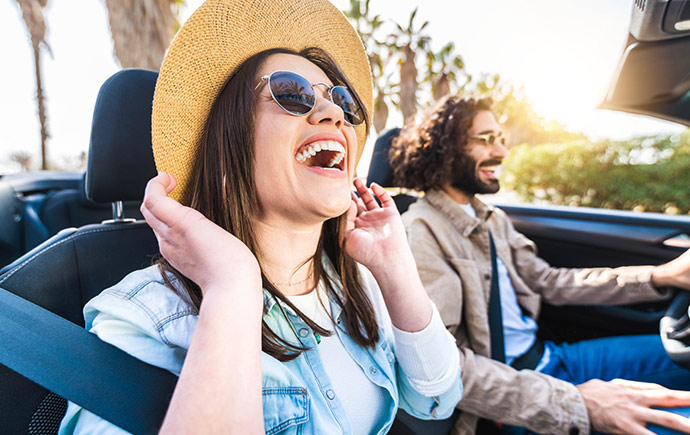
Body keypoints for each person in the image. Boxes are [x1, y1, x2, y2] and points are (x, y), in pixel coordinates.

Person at [57, 0, 463, 433]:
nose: (335, 114)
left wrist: (395, 267)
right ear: (228, 153)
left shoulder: (357, 281)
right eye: (291, 94)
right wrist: (232, 286)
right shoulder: (147, 317)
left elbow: (435, 402)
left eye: (341, 100)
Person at [389, 94, 690, 435]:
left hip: (552, 358)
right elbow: (441, 363)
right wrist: (572, 403)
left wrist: (662, 275)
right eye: (486, 139)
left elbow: (549, 282)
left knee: (680, 360)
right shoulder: (420, 233)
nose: (501, 152)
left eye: (501, 140)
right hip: (509, 401)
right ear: (445, 147)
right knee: (678, 423)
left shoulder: (493, 219)